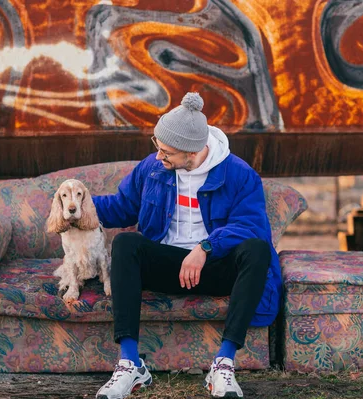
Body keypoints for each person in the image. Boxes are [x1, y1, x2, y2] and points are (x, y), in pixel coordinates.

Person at [91, 92, 281, 399]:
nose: (158, 157)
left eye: (166, 153)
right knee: (126, 244)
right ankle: (130, 364)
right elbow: (123, 206)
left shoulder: (239, 174)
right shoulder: (152, 169)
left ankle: (223, 364)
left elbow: (251, 226)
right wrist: (78, 205)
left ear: (191, 153)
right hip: (168, 266)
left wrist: (205, 248)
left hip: (215, 268)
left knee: (257, 250)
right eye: (158, 147)